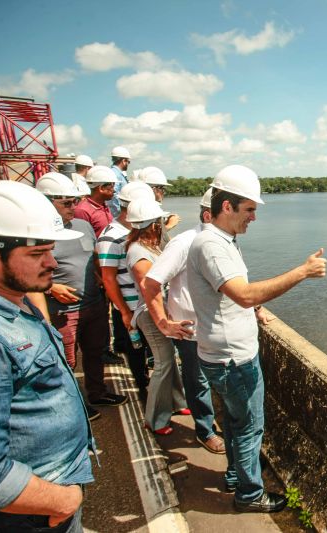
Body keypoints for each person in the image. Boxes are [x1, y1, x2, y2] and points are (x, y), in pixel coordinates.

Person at [187, 165, 327, 513]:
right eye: (249, 209)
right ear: (227, 207)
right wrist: (302, 271)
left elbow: (234, 297)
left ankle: (236, 475)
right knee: (249, 428)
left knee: (235, 424)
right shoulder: (212, 246)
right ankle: (250, 495)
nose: (254, 217)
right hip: (233, 359)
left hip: (221, 353)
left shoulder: (219, 241)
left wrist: (255, 309)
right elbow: (244, 295)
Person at [0, 181, 94, 531]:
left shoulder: (12, 302)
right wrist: (65, 499)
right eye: (38, 255)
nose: (52, 263)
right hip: (32, 514)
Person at [31, 172, 127, 420]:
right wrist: (52, 288)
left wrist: (98, 276)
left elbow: (92, 256)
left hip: (94, 303)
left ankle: (97, 393)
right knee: (66, 360)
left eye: (75, 201)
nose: (74, 207)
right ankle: (72, 406)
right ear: (46, 202)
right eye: (66, 203)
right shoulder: (35, 233)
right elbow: (26, 273)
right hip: (63, 310)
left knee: (95, 352)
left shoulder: (82, 226)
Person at [140, 189, 224, 453]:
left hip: (218, 328)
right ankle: (205, 430)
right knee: (197, 382)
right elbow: (151, 282)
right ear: (209, 215)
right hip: (192, 331)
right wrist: (164, 323)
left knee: (218, 382)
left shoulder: (225, 242)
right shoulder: (185, 243)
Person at [125, 198, 188, 435]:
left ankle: (178, 403)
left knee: (169, 358)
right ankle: (155, 419)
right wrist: (163, 321)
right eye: (160, 221)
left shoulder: (148, 245)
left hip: (158, 311)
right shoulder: (139, 254)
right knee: (162, 363)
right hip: (151, 314)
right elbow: (149, 292)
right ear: (153, 225)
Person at [97, 181, 157, 397]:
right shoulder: (111, 236)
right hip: (132, 307)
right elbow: (109, 278)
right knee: (136, 351)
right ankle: (143, 389)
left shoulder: (140, 232)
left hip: (148, 305)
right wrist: (124, 311)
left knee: (152, 351)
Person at [74, 165, 116, 239]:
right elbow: (84, 241)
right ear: (101, 188)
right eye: (112, 186)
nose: (114, 190)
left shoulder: (103, 206)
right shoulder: (82, 211)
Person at [107, 146, 131, 218]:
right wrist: (120, 212)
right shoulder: (116, 174)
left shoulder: (114, 172)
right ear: (123, 161)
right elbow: (113, 194)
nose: (128, 164)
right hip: (116, 215)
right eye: (128, 162)